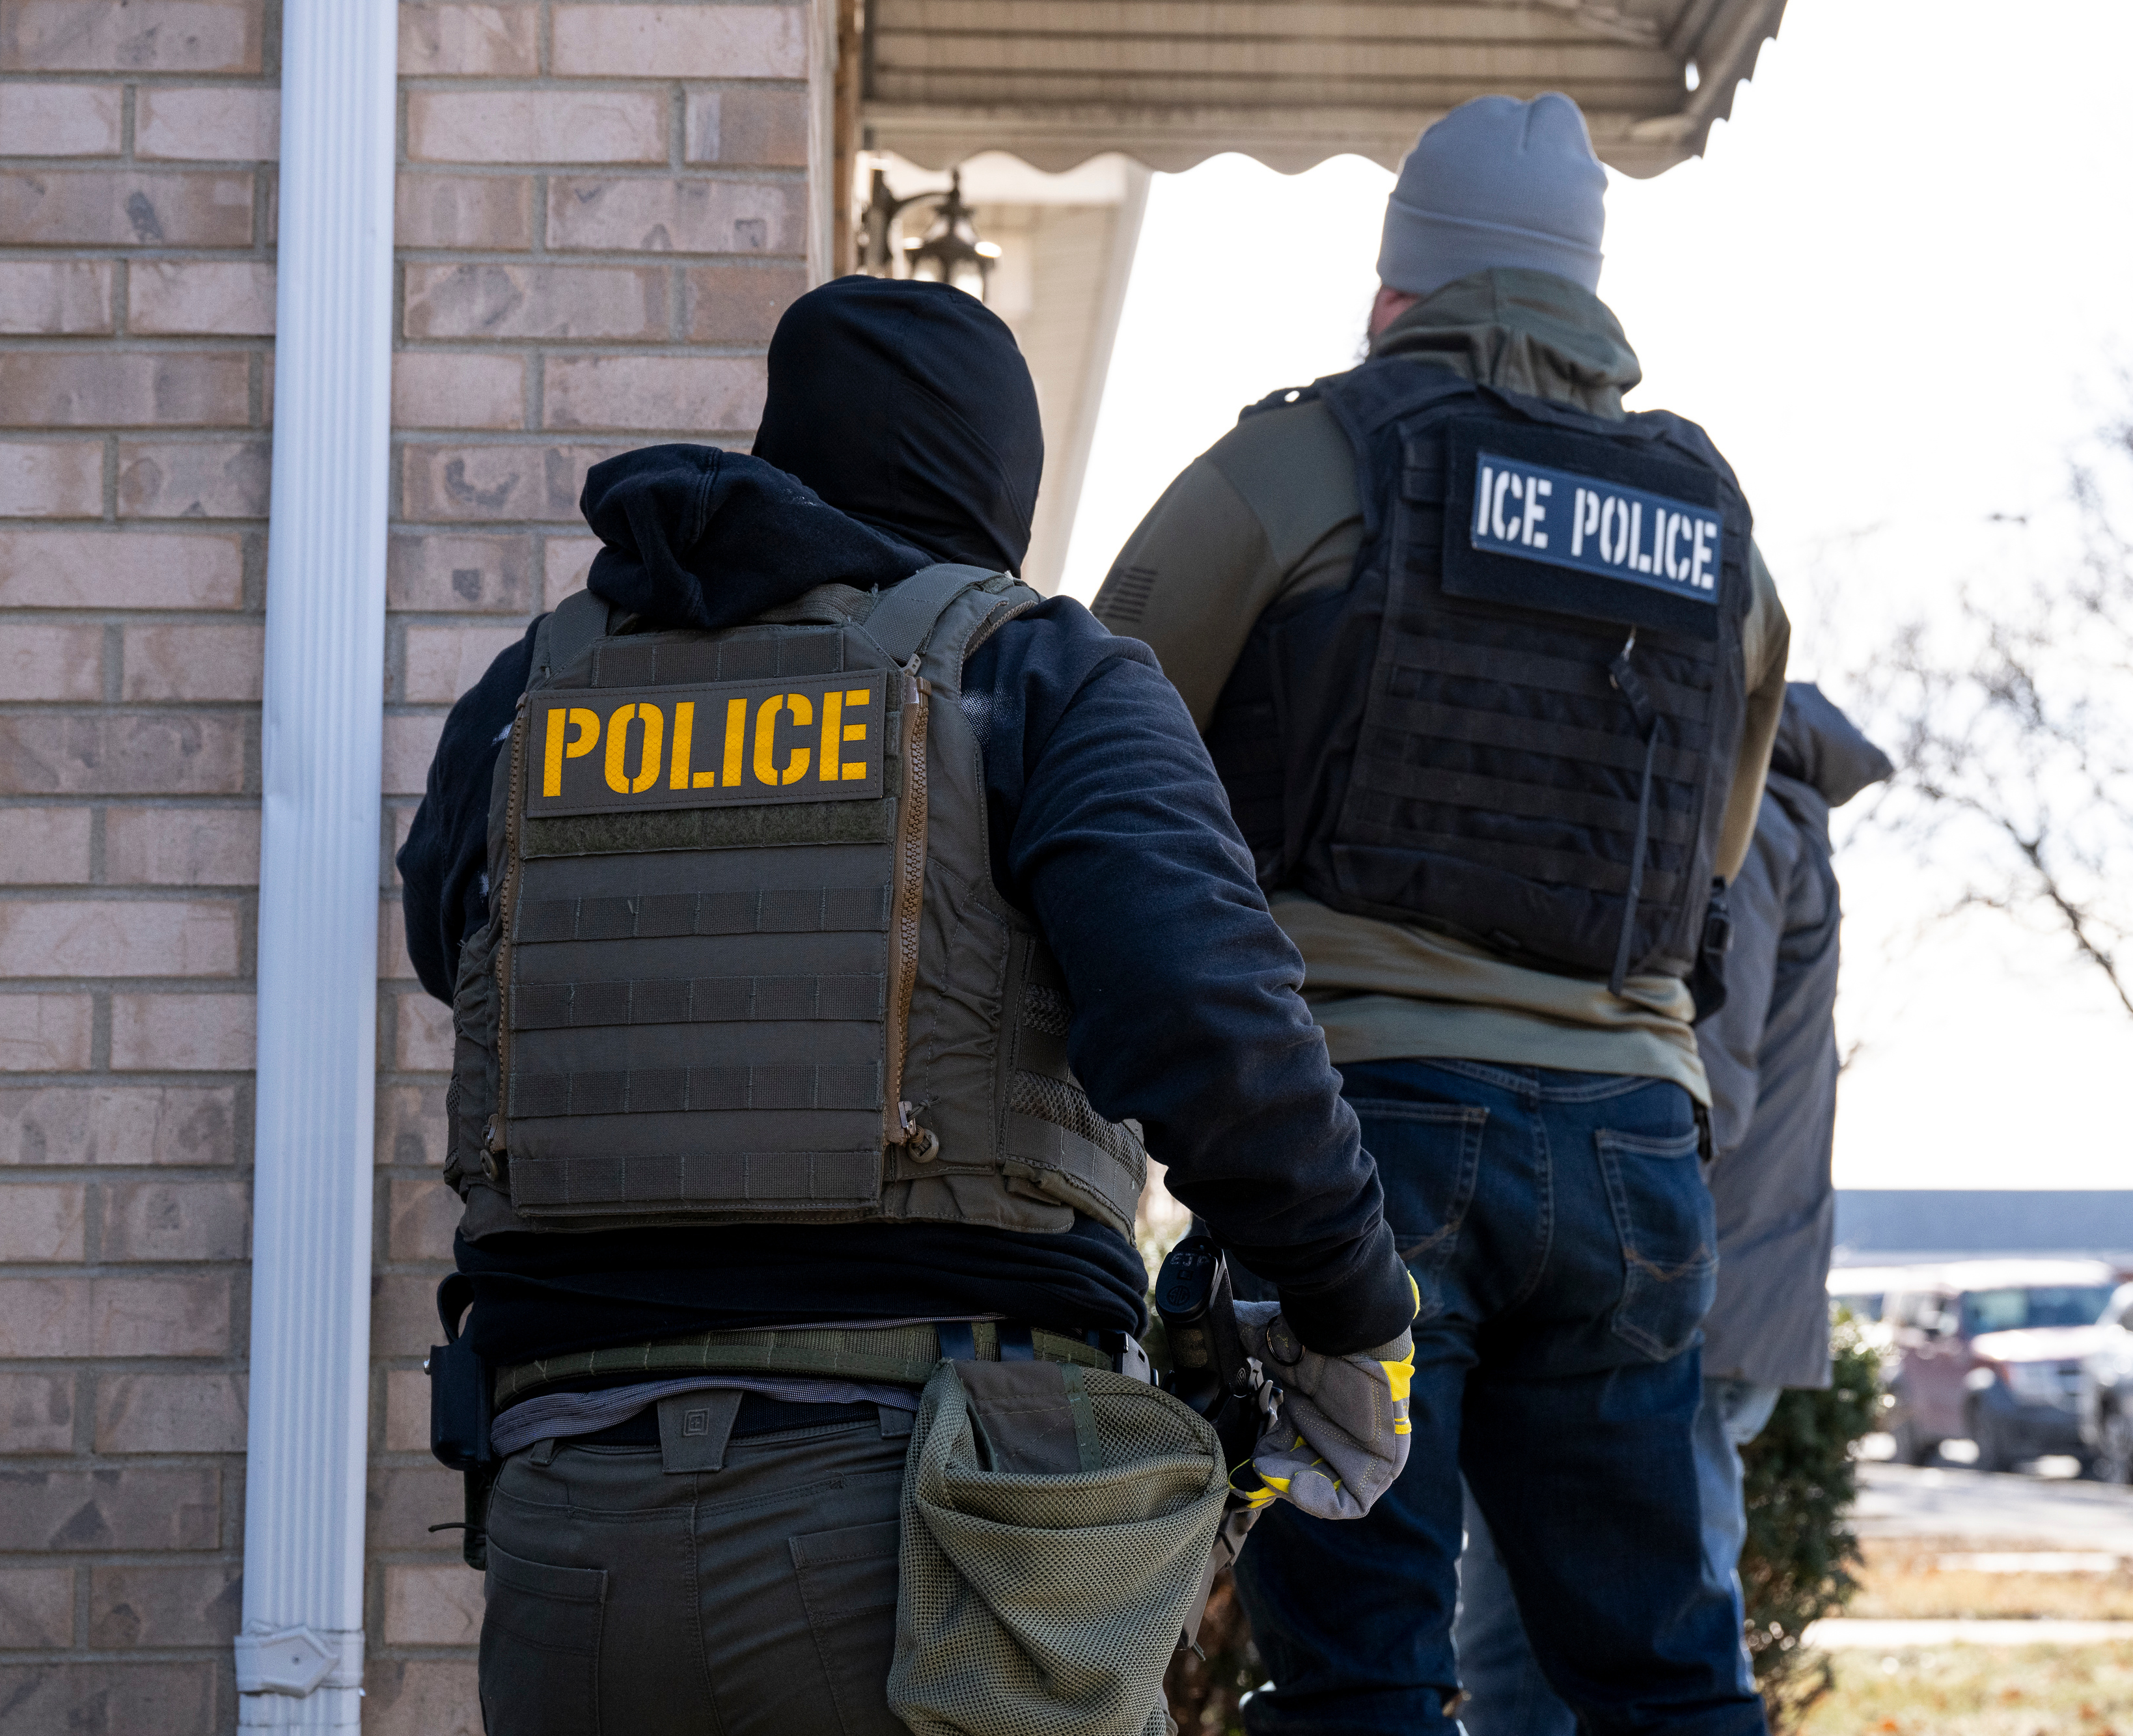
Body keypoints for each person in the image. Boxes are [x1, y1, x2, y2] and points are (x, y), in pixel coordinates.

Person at [398, 275, 1417, 1736]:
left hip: (569, 1534)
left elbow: (453, 949)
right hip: (931, 1532)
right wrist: (1352, 1305)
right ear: (999, 483)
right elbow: (1212, 1025)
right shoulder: (1033, 671)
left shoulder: (527, 694)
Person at [1094, 93, 1791, 1736]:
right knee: (1665, 1678)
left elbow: (1090, 743)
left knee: (1364, 1676)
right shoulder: (1711, 528)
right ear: (1582, 287)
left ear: (1396, 284)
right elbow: (1712, 850)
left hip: (1356, 1142)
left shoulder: (1302, 463)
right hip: (1631, 1149)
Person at [1451, 682, 1893, 1735]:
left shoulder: (1745, 819)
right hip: (1701, 1282)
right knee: (1554, 1638)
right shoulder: (1763, 809)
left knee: (1595, 1648)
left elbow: (1702, 1086)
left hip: (1673, 1294)